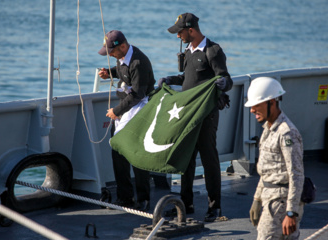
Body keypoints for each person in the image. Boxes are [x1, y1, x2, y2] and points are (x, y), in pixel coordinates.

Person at [158, 13, 233, 222]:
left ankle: (214, 207)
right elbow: (187, 78)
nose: (178, 36)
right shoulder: (189, 51)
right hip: (188, 114)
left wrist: (223, 85)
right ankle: (186, 204)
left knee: (209, 160)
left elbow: (226, 78)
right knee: (186, 159)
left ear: (191, 30)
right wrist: (171, 78)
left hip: (206, 115)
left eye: (180, 32)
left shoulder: (213, 51)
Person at [98, 30, 155, 211]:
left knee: (137, 156)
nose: (110, 55)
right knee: (118, 152)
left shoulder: (138, 62)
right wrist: (110, 73)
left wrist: (116, 111)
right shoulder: (122, 57)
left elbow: (138, 94)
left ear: (123, 46)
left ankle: (143, 198)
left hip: (139, 110)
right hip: (125, 110)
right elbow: (123, 71)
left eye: (112, 52)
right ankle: (125, 197)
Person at [245, 77, 305, 239]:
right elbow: (266, 171)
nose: (252, 110)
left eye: (256, 105)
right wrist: (257, 199)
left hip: (281, 203)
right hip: (270, 198)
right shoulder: (268, 129)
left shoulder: (286, 133)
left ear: (271, 102)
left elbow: (297, 174)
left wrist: (291, 212)